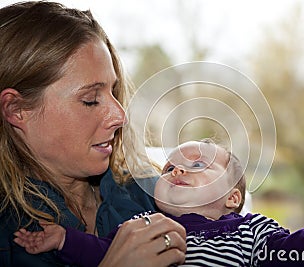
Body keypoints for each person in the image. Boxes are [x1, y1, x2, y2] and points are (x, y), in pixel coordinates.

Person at [0, 1, 186, 266]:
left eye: (113, 91)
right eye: (90, 100)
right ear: (16, 109)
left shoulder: (150, 193)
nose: (120, 116)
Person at [14, 140, 304, 266]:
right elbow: (102, 254)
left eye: (197, 165)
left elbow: (293, 252)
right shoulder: (144, 226)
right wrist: (63, 239)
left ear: (232, 198)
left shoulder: (250, 231)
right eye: (170, 166)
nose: (177, 170)